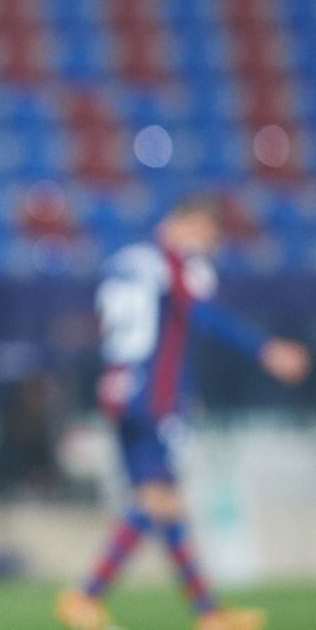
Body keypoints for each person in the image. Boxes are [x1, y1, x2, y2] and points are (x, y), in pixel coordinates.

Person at [56, 197, 311, 630]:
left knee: (167, 502)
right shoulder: (177, 266)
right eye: (210, 235)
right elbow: (202, 316)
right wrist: (265, 349)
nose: (211, 246)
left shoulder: (127, 260)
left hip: (121, 387)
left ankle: (209, 613)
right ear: (189, 224)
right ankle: (86, 596)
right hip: (156, 396)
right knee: (155, 500)